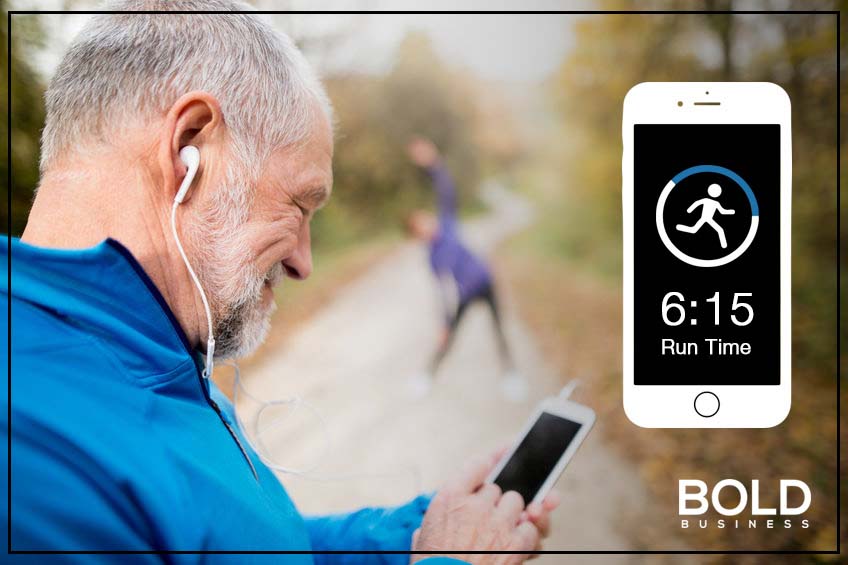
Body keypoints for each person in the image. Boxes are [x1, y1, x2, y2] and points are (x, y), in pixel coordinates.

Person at [2, 2, 559, 562]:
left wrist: (421, 534)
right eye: (299, 205)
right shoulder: (25, 453)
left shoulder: (156, 347)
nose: (303, 263)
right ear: (189, 146)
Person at [405, 138, 526, 401]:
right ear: (418, 235)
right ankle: (427, 375)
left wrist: (432, 163)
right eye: (420, 226)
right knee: (448, 338)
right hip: (465, 295)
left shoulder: (447, 223)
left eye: (425, 218)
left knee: (500, 330)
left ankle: (511, 375)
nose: (427, 223)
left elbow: (446, 190)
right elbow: (441, 291)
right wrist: (444, 323)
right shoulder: (433, 257)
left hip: (486, 282)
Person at [675, 183, 736, 249]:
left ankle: (724, 246)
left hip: (709, 219)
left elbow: (722, 211)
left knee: (720, 230)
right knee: (694, 230)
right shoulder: (706, 200)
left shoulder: (716, 203)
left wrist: (731, 211)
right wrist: (689, 210)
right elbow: (697, 202)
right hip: (704, 218)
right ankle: (679, 227)